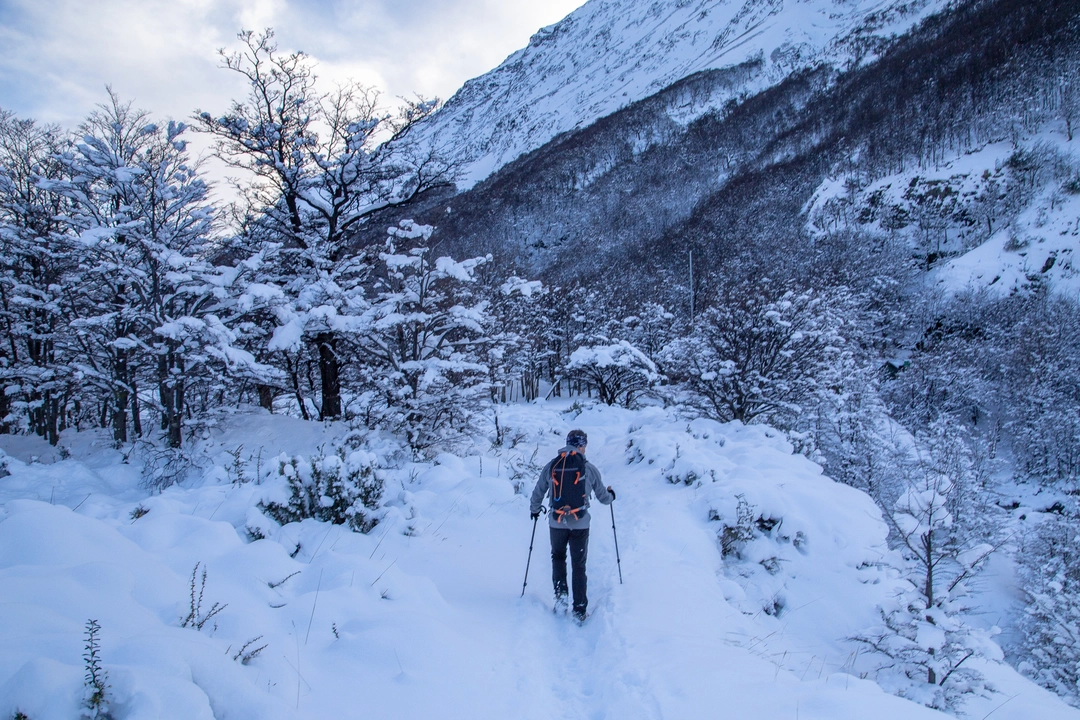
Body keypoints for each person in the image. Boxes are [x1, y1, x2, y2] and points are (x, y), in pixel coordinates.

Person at [530, 429, 615, 622]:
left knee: (558, 558)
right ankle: (579, 610)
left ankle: (561, 601)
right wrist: (612, 495)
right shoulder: (588, 468)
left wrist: (534, 509)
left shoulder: (553, 465)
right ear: (582, 445)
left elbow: (539, 491)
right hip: (580, 523)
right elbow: (603, 498)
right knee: (579, 565)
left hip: (556, 522)